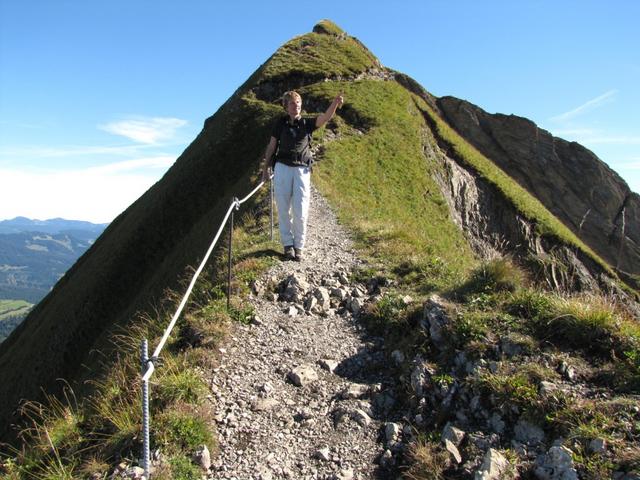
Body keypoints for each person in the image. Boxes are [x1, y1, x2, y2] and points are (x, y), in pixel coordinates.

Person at [261, 90, 344, 261]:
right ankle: (287, 245)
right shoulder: (280, 124)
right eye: (292, 103)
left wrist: (335, 103)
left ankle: (299, 247)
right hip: (282, 168)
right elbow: (271, 146)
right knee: (283, 209)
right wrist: (265, 168)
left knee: (300, 210)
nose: (296, 106)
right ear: (286, 106)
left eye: (298, 103)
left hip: (302, 170)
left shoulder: (307, 123)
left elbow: (325, 118)